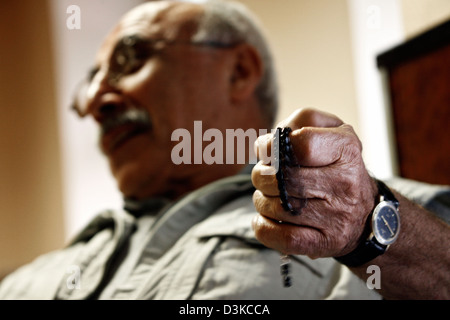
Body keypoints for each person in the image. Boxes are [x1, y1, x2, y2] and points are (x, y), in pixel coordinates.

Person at [0, 0, 448, 300]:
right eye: (90, 85)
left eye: (128, 60)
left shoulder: (386, 220)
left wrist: (368, 225)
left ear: (238, 71)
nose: (96, 102)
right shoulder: (32, 278)